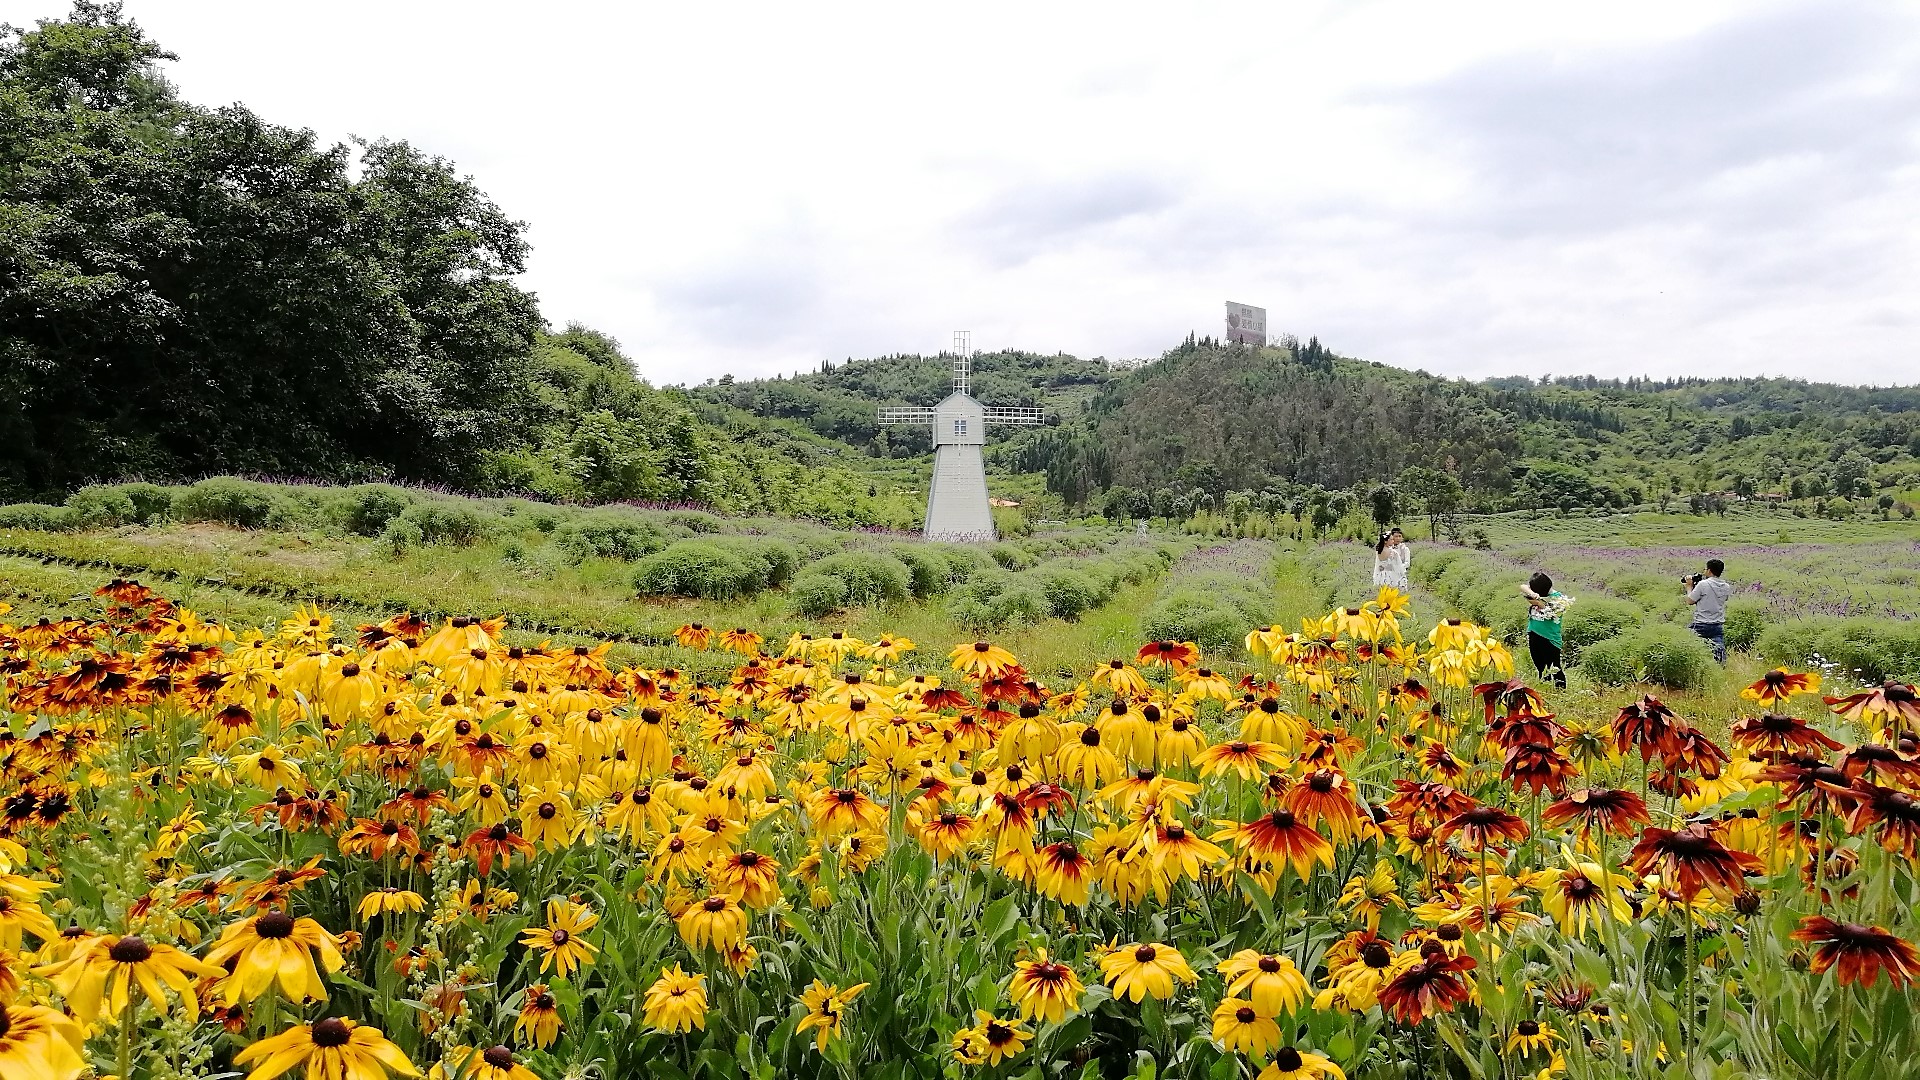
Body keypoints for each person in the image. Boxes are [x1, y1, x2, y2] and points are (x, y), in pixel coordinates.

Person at [1520, 571, 1572, 688]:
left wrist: (1539, 602)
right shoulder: (1537, 594)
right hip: (1534, 634)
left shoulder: (1559, 599)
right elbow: (1522, 587)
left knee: (1554, 668)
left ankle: (1560, 691)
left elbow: (1552, 613)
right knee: (1540, 667)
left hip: (1550, 639)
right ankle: (1544, 689)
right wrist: (1533, 594)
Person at [1683, 558, 1732, 663]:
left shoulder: (1703, 584)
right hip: (1717, 625)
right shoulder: (1726, 587)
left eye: (1705, 569)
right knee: (1718, 653)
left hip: (1701, 624)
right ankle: (1721, 669)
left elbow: (1690, 601)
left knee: (1687, 644)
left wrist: (1689, 586)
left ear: (1709, 571)